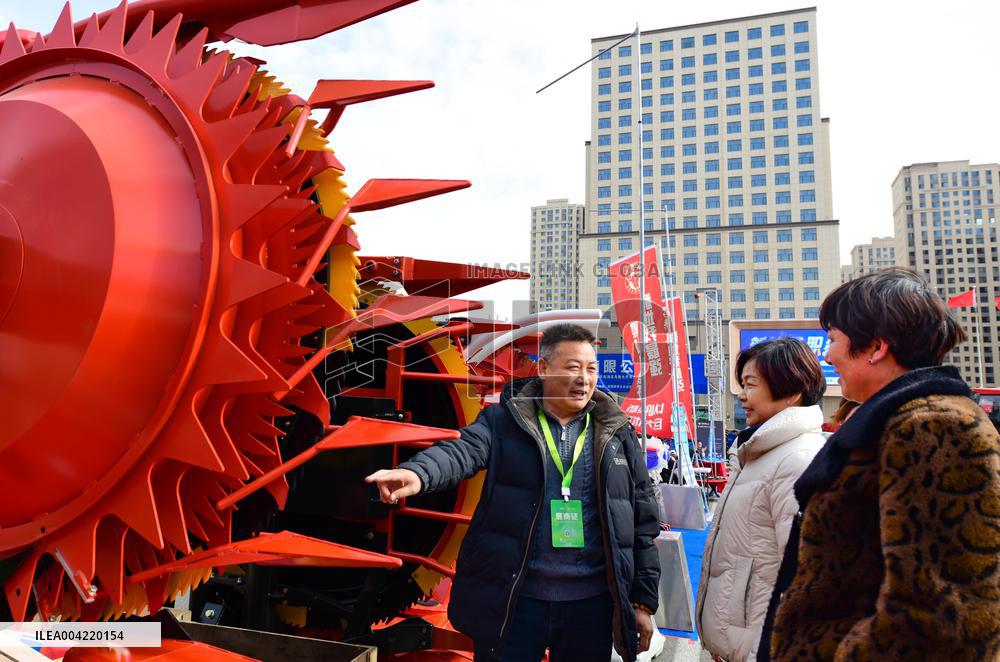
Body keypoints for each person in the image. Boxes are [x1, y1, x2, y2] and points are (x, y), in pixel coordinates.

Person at [365, 324, 661, 662]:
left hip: (590, 606)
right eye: (573, 367)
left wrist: (642, 602)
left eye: (591, 369)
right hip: (515, 603)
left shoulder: (617, 434)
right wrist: (418, 473)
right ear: (544, 368)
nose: (584, 379)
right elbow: (460, 452)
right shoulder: (503, 421)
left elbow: (643, 523)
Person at [760, 268, 1000, 660]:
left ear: (875, 347)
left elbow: (945, 621)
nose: (829, 354)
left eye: (833, 339)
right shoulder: (893, 422)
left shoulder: (936, 428)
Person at [695, 338, 826, 662]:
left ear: (791, 392)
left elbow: (808, 577)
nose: (741, 396)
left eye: (750, 385)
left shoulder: (797, 459)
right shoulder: (759, 452)